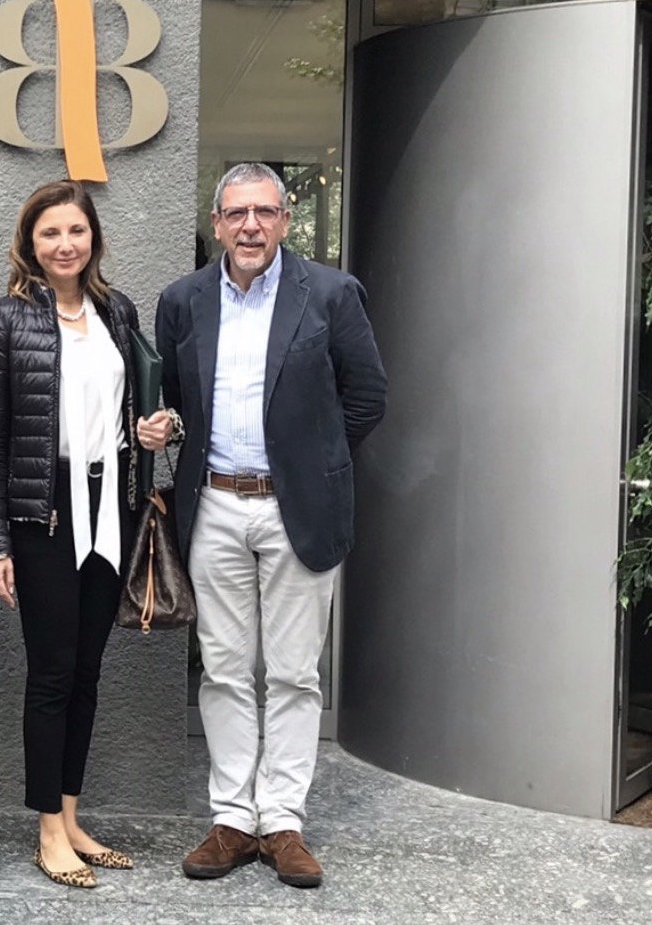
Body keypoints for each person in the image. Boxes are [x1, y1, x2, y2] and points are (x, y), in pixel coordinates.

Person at [143, 162, 388, 890]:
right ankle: (232, 820)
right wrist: (164, 425)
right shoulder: (182, 300)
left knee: (292, 673)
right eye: (236, 213)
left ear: (285, 220)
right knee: (223, 670)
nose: (250, 226)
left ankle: (281, 821)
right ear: (217, 223)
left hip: (297, 507)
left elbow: (367, 396)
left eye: (264, 212)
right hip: (214, 504)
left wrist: (314, 463)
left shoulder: (332, 294)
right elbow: (179, 400)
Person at [0, 180, 152, 890]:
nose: (64, 244)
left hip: (111, 507)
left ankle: (72, 817)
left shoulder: (117, 310)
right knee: (51, 672)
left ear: (93, 238)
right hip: (42, 515)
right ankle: (48, 830)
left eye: (76, 230)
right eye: (50, 232)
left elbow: (135, 406)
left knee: (87, 671)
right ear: (30, 242)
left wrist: (156, 427)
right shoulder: (3, 320)